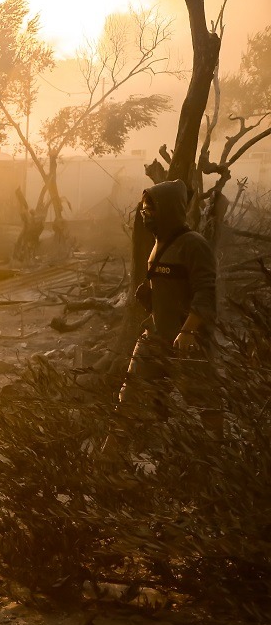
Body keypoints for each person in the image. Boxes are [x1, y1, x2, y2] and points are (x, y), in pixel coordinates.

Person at [118, 179, 220, 435]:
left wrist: (187, 332)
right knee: (129, 396)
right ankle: (108, 462)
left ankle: (218, 457)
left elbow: (206, 291)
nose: (146, 215)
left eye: (151, 210)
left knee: (206, 402)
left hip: (187, 341)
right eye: (144, 209)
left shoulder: (193, 244)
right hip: (154, 337)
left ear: (169, 210)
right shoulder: (157, 244)